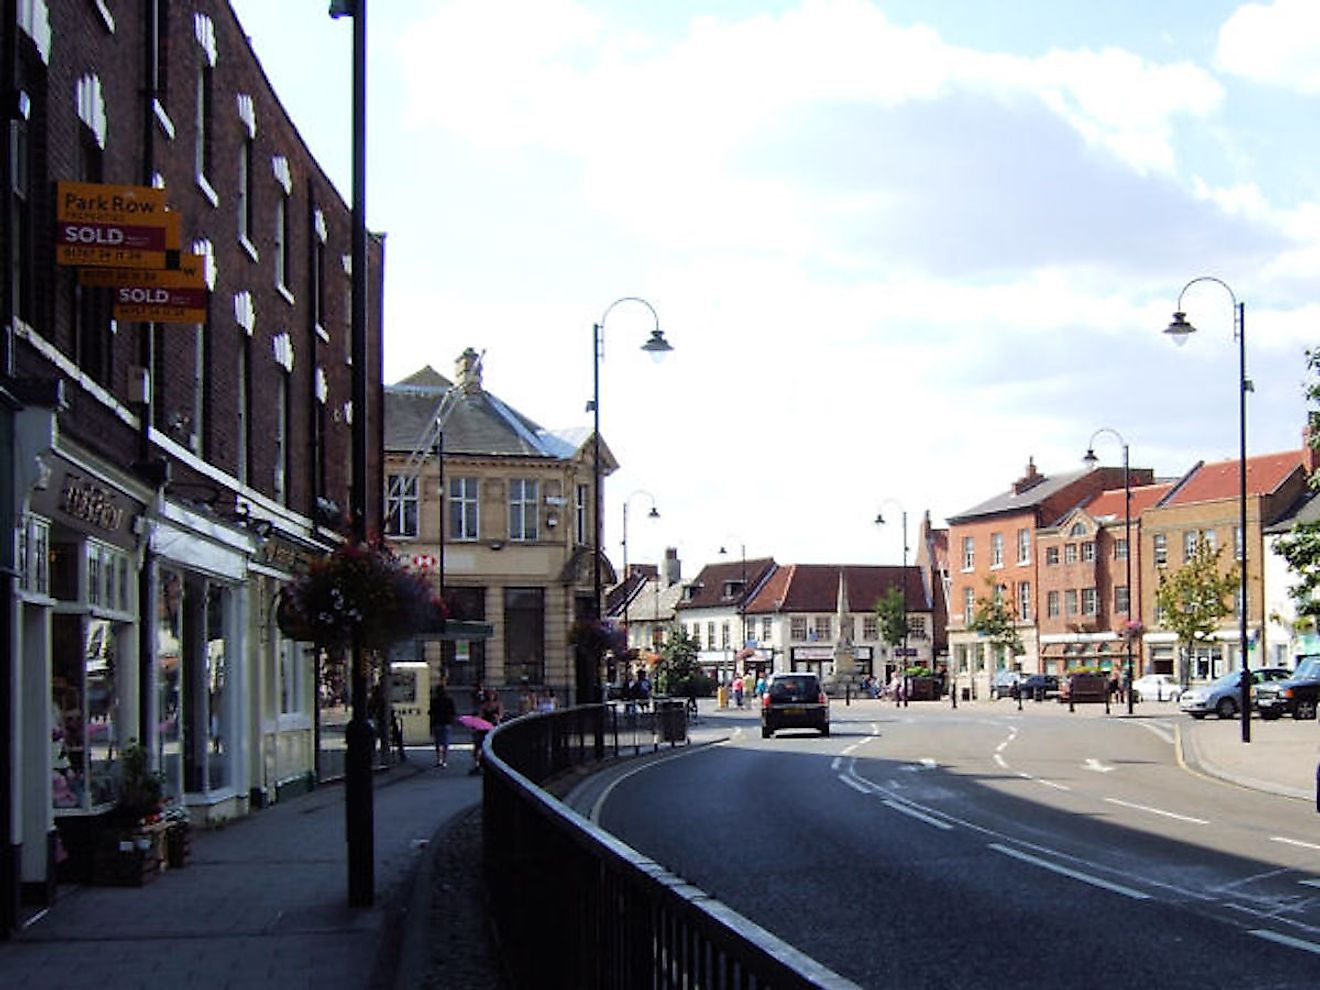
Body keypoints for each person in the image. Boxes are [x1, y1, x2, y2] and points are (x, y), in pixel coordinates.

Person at [470, 690, 504, 774]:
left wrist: (497, 717)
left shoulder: (498, 704)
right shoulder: (483, 706)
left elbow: (500, 715)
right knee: (479, 746)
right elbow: (480, 716)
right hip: (484, 727)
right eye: (489, 695)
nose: (490, 696)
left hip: (494, 727)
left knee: (494, 745)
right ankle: (477, 764)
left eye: (492, 694)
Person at [429, 681, 456, 768]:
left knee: (438, 743)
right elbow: (453, 712)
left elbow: (431, 712)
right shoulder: (449, 700)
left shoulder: (434, 701)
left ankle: (439, 760)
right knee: (445, 743)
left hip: (437, 723)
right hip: (446, 723)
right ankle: (444, 761)